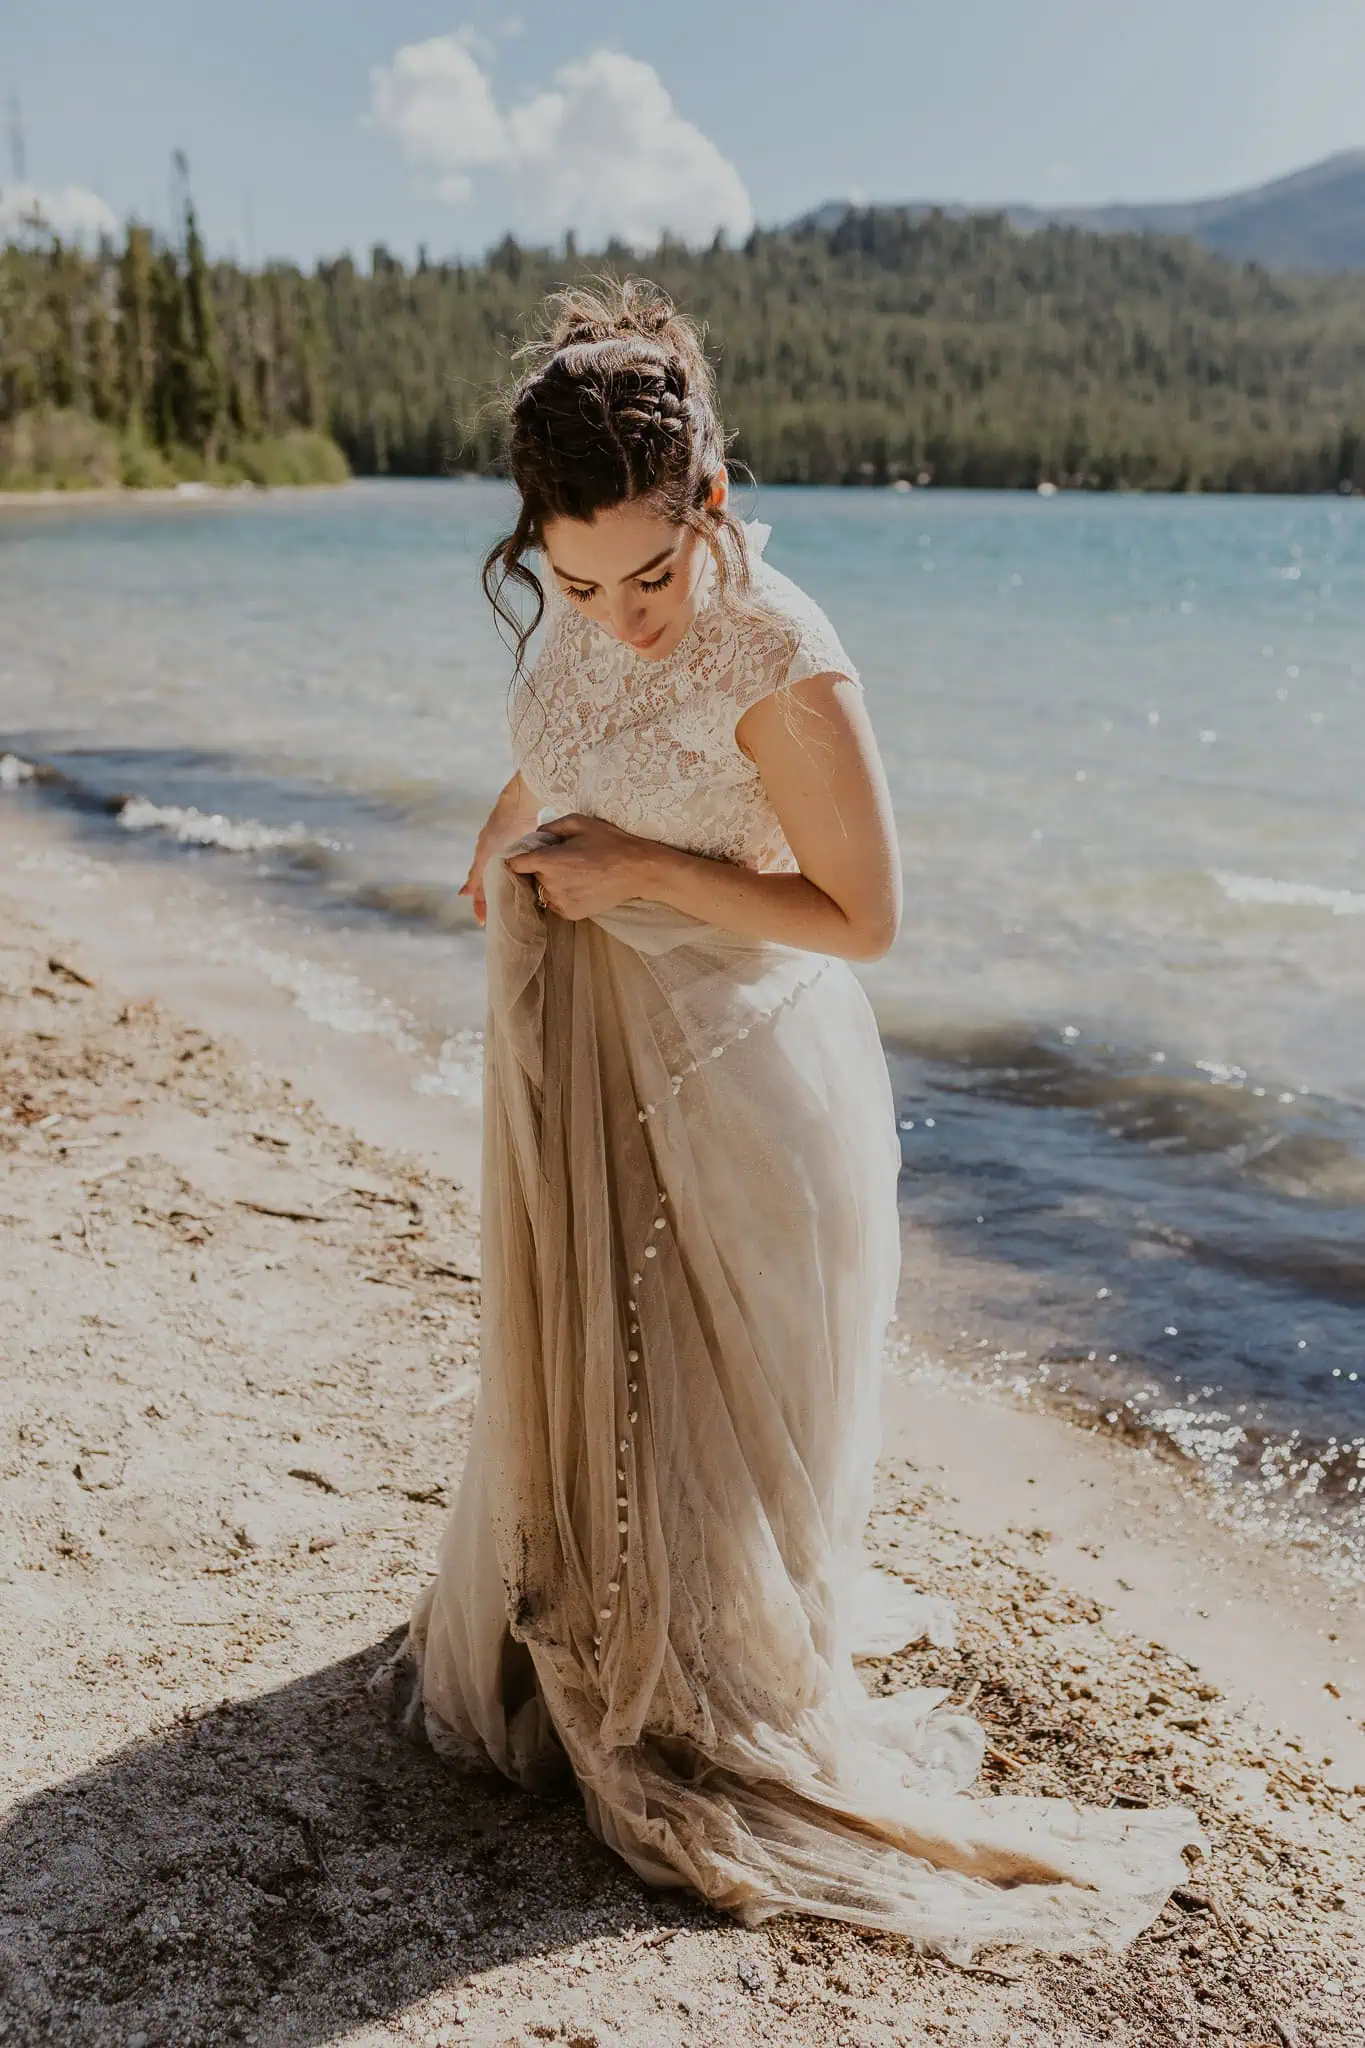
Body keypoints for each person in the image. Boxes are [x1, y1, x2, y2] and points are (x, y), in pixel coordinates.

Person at [400, 279, 1200, 1955]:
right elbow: (581, 726)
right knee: (586, 1360)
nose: (616, 614)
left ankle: (697, 1684)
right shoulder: (594, 601)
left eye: (650, 572)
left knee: (701, 1396)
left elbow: (862, 919)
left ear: (708, 503)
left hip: (739, 1068)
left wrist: (638, 871)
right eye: (574, 579)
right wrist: (517, 818)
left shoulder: (781, 648)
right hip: (581, 1030)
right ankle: (576, 1639)